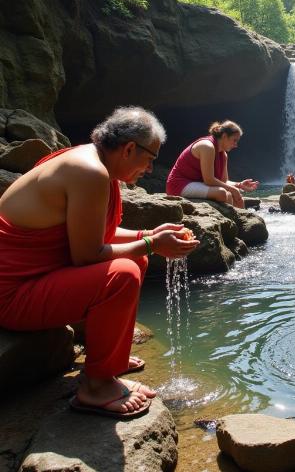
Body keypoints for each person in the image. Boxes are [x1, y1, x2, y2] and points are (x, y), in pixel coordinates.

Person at [0, 106, 199, 419]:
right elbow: (88, 254)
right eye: (150, 158)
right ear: (129, 148)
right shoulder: (89, 172)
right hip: (12, 296)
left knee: (138, 260)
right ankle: (96, 387)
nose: (149, 169)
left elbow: (93, 233)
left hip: (37, 277)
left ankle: (107, 359)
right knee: (123, 273)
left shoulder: (90, 161)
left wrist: (149, 234)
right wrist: (151, 245)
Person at [166, 120, 259, 208]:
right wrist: (233, 189)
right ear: (224, 136)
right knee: (222, 193)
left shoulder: (223, 155)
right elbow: (209, 180)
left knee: (231, 194)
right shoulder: (207, 146)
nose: (236, 145)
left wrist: (239, 185)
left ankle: (240, 222)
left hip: (195, 183)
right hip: (179, 184)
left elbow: (224, 181)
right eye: (234, 140)